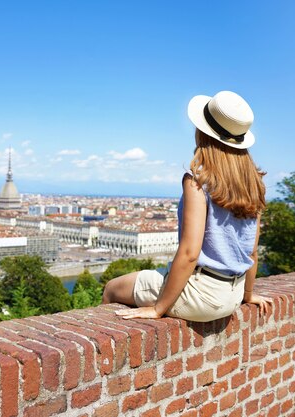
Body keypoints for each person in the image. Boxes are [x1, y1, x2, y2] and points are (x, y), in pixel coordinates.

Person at [102, 91, 272, 321]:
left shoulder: (197, 182)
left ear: (203, 133)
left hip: (202, 297)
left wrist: (158, 309)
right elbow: (252, 251)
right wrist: (248, 295)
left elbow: (190, 253)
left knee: (112, 288)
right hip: (233, 294)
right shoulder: (254, 185)